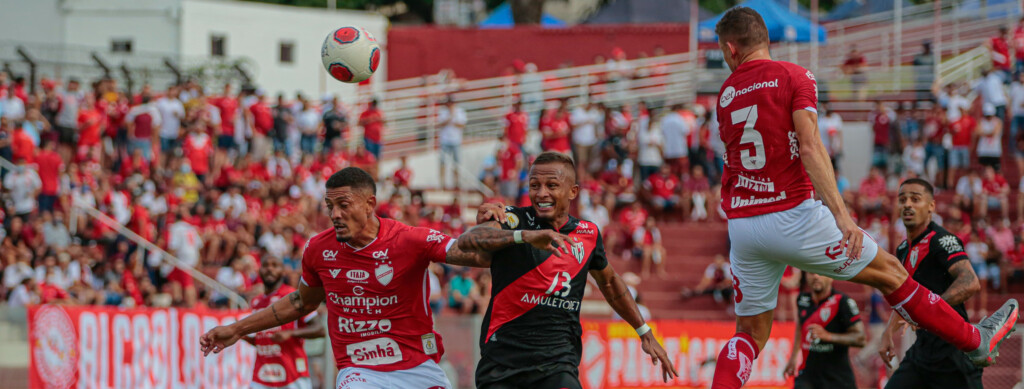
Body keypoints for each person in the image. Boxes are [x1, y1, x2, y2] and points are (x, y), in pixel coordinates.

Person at [709, 8, 1016, 389]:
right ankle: (976, 341)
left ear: (731, 47)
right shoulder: (794, 75)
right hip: (792, 214)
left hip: (743, 227)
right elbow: (809, 145)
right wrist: (841, 215)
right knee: (893, 275)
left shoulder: (725, 95)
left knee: (750, 336)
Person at [201, 167, 493, 388]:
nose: (335, 214)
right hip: (359, 371)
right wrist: (238, 329)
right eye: (330, 207)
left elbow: (474, 256)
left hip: (417, 367)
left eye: (344, 205)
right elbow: (302, 303)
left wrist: (496, 227)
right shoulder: (318, 249)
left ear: (369, 204)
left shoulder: (410, 240)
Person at [465, 152, 677, 387]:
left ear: (573, 192)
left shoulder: (588, 233)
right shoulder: (512, 219)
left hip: (558, 362)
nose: (541, 193)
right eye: (534, 185)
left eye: (551, 185)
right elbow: (466, 242)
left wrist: (644, 332)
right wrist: (519, 235)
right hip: (502, 361)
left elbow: (609, 282)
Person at [881, 179, 984, 388]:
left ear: (931, 206)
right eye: (903, 200)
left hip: (953, 352)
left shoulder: (942, 240)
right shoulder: (902, 250)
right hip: (922, 351)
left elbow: (970, 282)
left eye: (915, 199)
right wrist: (888, 332)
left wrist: (929, 311)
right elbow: (905, 296)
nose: (907, 204)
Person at [242, 255, 324, 389]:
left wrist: (290, 333)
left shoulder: (293, 296)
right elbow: (263, 339)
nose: (269, 269)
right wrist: (244, 336)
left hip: (292, 375)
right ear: (259, 270)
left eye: (275, 265)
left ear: (283, 271)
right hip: (262, 375)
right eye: (266, 265)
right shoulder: (256, 302)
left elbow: (319, 329)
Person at [783, 272, 866, 389]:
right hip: (808, 376)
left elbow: (860, 339)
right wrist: (793, 357)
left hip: (838, 379)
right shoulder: (802, 300)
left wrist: (828, 336)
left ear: (831, 277)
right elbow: (800, 327)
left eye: (821, 272)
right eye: (811, 272)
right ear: (806, 276)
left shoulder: (843, 302)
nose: (816, 276)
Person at [437, 97, 466, 189]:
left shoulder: (460, 111)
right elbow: (440, 124)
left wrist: (453, 118)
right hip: (445, 140)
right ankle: (442, 183)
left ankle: (456, 182)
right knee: (443, 162)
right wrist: (450, 117)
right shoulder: (443, 112)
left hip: (456, 140)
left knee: (456, 163)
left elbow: (462, 125)